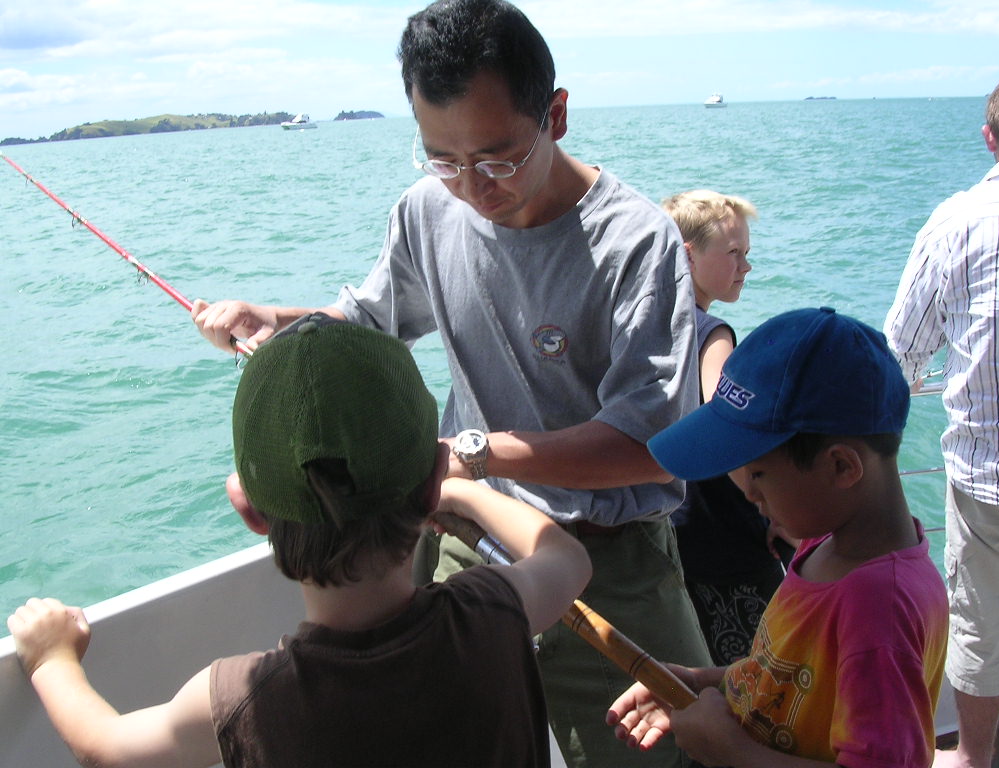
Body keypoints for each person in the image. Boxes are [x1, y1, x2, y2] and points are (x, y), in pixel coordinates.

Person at [191, 1, 711, 765]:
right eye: (443, 159)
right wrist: (273, 320)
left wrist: (472, 455)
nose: (472, 186)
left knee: (676, 749)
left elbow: (656, 445)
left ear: (556, 114)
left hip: (612, 561)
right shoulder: (427, 211)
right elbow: (367, 322)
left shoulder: (636, 242)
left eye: (498, 158)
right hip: (467, 541)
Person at [6, 314, 593, 768]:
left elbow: (105, 748)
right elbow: (565, 558)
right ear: (430, 485)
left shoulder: (240, 698)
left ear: (250, 510)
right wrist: (463, 493)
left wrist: (51, 658)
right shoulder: (491, 611)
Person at [606, 307, 949, 767]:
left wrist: (730, 750)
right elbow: (786, 679)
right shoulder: (822, 543)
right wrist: (700, 681)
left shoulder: (879, 607)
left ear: (842, 467)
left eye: (759, 473)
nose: (746, 492)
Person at [884, 70, 999, 768]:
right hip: (988, 475)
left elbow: (900, 356)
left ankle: (972, 756)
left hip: (989, 479)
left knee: (978, 625)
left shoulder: (958, 219)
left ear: (989, 136)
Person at [661, 189, 792, 665]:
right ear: (687, 254)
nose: (745, 267)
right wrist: (775, 507)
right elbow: (727, 428)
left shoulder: (647, 324)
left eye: (747, 255)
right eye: (733, 253)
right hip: (727, 543)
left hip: (673, 534)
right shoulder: (711, 333)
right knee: (761, 678)